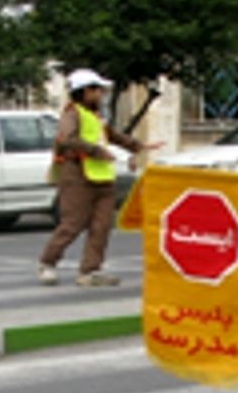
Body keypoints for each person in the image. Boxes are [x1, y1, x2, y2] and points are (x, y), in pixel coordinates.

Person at [39, 68, 158, 287]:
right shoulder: (72, 113)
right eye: (97, 90)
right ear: (84, 92)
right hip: (77, 175)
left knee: (101, 226)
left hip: (102, 176)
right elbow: (66, 139)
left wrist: (137, 146)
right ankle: (48, 263)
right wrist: (95, 151)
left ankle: (90, 270)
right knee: (72, 224)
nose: (101, 94)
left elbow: (111, 135)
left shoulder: (95, 115)